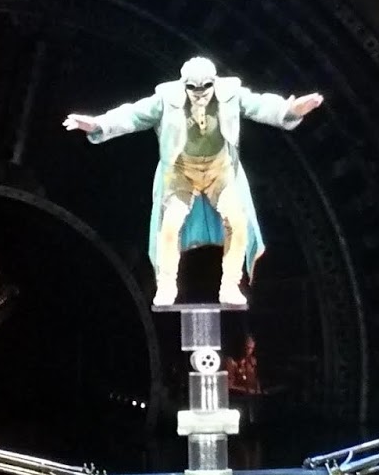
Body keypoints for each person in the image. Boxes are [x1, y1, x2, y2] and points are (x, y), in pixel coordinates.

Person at [63, 55, 323, 307]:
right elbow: (133, 115)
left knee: (237, 222)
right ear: (183, 85)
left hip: (220, 170)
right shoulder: (166, 99)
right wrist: (97, 124)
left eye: (206, 87)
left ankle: (230, 284)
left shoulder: (230, 94)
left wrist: (290, 109)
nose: (200, 94)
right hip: (182, 171)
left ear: (214, 82)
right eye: (192, 88)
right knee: (170, 224)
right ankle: (166, 284)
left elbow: (260, 105)